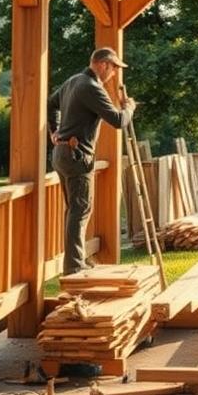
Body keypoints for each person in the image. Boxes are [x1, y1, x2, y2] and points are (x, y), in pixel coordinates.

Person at [47, 47, 136, 274]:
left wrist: (55, 131)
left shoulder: (73, 81)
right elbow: (117, 120)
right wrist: (129, 108)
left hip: (61, 154)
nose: (114, 74)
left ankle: (76, 261)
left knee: (74, 210)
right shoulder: (91, 87)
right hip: (77, 155)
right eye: (114, 68)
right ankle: (74, 267)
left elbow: (50, 103)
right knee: (80, 210)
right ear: (103, 64)